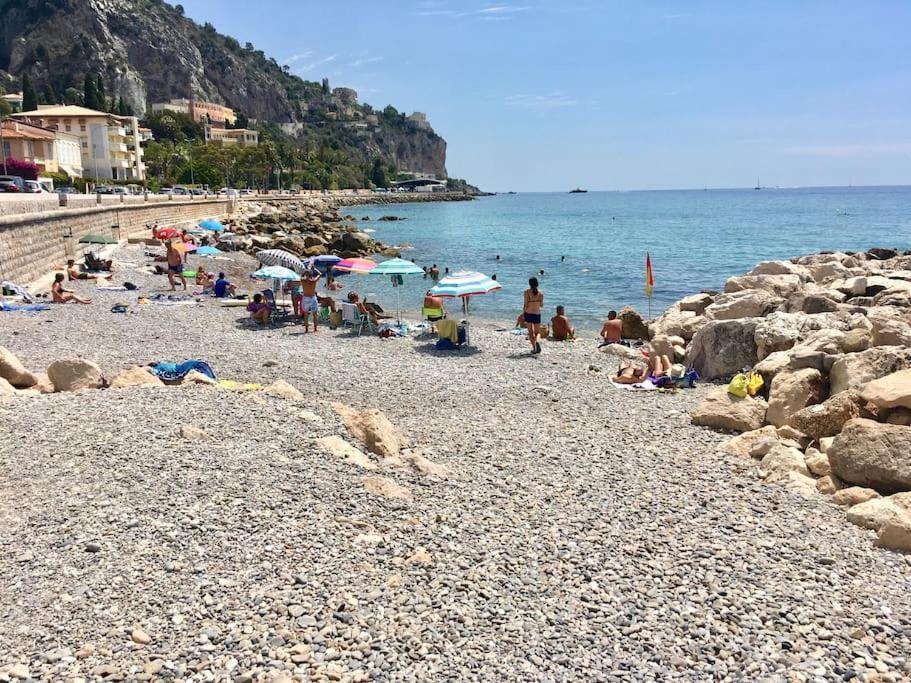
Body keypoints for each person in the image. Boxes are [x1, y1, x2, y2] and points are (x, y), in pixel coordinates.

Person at [523, 276, 544, 354]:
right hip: (537, 314)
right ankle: (537, 341)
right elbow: (541, 305)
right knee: (537, 333)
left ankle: (534, 348)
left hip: (528, 313)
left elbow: (525, 304)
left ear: (529, 284)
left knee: (531, 332)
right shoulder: (541, 293)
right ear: (537, 283)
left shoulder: (527, 292)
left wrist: (523, 313)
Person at [300, 266, 322, 332]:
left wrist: (304, 272)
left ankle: (306, 329)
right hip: (312, 297)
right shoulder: (314, 281)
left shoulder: (303, 280)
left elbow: (301, 275)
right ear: (311, 275)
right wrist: (315, 269)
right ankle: (315, 329)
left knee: (306, 314)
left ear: (306, 275)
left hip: (306, 297)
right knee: (315, 313)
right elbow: (320, 274)